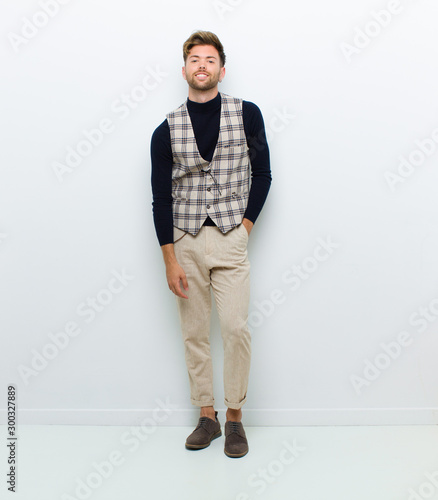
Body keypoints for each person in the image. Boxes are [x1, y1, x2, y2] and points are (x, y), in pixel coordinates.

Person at [150, 30, 271, 458]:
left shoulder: (247, 114)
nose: (202, 65)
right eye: (194, 59)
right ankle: (208, 416)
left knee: (236, 329)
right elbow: (161, 198)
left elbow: (263, 175)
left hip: (230, 240)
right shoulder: (165, 131)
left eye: (210, 59)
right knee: (194, 333)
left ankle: (235, 417)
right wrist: (169, 259)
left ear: (222, 68)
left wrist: (244, 229)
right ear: (184, 69)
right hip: (185, 241)